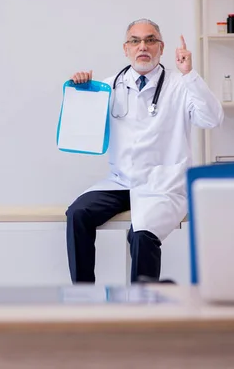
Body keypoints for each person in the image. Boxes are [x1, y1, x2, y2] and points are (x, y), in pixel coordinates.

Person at [66, 18, 223, 283]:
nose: (143, 46)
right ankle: (83, 296)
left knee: (141, 235)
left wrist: (189, 74)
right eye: (135, 41)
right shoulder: (108, 86)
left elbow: (212, 120)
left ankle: (144, 310)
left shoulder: (180, 85)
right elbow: (81, 131)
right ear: (125, 49)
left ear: (161, 48)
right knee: (77, 214)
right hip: (121, 181)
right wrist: (81, 92)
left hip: (162, 183)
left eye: (150, 40)